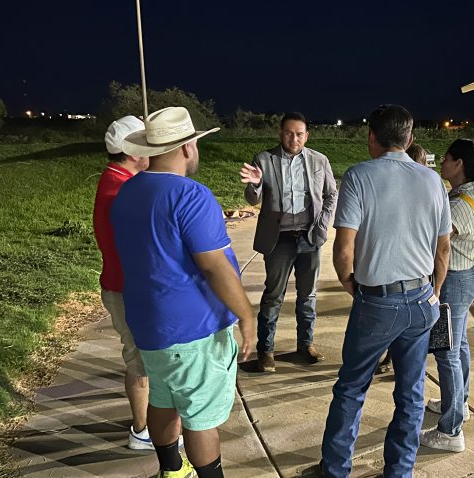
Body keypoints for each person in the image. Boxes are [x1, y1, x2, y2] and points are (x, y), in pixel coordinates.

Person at [113, 106, 256, 478]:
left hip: (148, 326)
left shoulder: (127, 192)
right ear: (189, 146)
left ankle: (172, 471)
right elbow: (214, 265)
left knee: (162, 399)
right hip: (194, 331)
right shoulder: (191, 196)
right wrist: (247, 314)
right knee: (200, 417)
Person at [320, 105, 451, 478]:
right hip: (422, 300)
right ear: (409, 139)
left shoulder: (360, 176)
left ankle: (335, 470)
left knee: (351, 388)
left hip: (377, 301)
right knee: (410, 394)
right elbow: (444, 249)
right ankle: (399, 472)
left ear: (371, 139)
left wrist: (350, 282)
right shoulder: (432, 181)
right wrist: (434, 291)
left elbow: (344, 248)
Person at [239, 112, 337, 373]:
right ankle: (266, 351)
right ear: (280, 133)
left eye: (299, 134)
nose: (294, 138)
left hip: (309, 237)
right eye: (289, 133)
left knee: (308, 295)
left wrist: (322, 224)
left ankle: (306, 345)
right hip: (279, 239)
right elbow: (252, 200)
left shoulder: (319, 160)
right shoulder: (264, 160)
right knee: (273, 296)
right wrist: (256, 184)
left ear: (307, 135)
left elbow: (331, 195)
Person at [420, 139, 474, 453]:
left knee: (446, 352)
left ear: (459, 164)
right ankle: (459, 403)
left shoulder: (458, 204)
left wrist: (434, 287)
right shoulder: (472, 193)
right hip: (466, 278)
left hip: (453, 282)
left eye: (446, 159)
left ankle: (451, 431)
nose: (441, 163)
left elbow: (439, 244)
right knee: (459, 344)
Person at [94, 115, 163, 450]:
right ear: (135, 151)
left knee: (140, 359)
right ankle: (142, 431)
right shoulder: (123, 188)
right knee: (139, 362)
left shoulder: (116, 178)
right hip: (126, 288)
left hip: (123, 283)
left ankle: (146, 426)